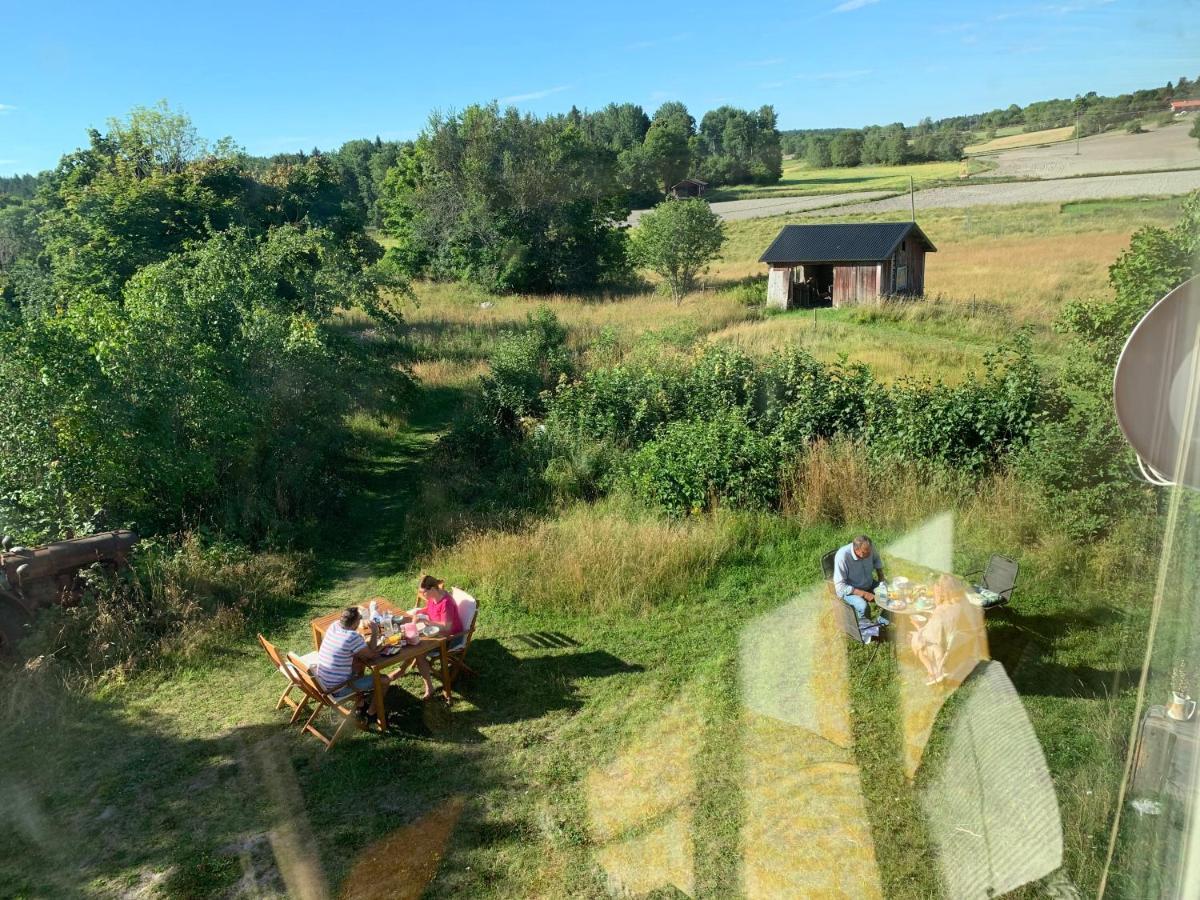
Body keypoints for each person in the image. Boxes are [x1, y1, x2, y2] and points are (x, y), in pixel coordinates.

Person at [315, 606, 390, 718]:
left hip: (322, 683)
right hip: (337, 689)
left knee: (358, 662)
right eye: (359, 618)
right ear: (355, 623)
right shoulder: (352, 637)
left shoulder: (334, 626)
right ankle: (371, 713)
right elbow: (371, 655)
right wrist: (375, 632)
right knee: (384, 680)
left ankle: (361, 704)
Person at [404, 575, 464, 700]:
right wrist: (420, 612)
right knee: (413, 642)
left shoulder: (446, 602)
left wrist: (427, 623)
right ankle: (408, 672)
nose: (421, 594)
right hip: (437, 633)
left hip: (450, 638)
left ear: (431, 589)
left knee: (418, 652)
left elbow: (447, 626)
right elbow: (430, 609)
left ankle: (429, 688)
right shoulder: (433, 597)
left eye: (423, 592)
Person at [909, 575, 968, 686]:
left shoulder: (940, 613)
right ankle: (943, 668)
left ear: (942, 592)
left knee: (914, 639)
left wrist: (918, 627)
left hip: (939, 649)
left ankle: (933, 672)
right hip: (955, 645)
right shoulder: (960, 605)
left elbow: (929, 637)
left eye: (938, 588)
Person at [833, 534, 888, 627]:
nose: (870, 554)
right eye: (866, 553)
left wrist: (882, 580)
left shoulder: (869, 548)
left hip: (869, 583)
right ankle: (867, 631)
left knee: (888, 593)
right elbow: (840, 587)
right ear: (856, 550)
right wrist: (864, 594)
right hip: (851, 590)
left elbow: (877, 560)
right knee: (863, 607)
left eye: (870, 551)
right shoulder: (842, 556)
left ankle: (880, 623)